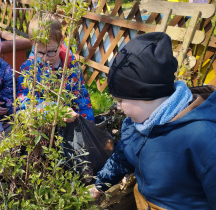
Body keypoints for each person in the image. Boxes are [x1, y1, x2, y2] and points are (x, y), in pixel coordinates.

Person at [88, 32, 216, 209]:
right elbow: (120, 159)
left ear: (146, 96)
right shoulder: (134, 125)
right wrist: (100, 185)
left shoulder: (203, 139)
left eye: (120, 101)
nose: (117, 107)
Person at [18, 13, 95, 123]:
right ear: (32, 43)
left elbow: (81, 97)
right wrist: (58, 111)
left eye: (51, 51)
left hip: (71, 125)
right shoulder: (29, 69)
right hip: (44, 128)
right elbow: (26, 103)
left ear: (61, 40)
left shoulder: (71, 65)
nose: (45, 58)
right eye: (40, 52)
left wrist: (88, 123)